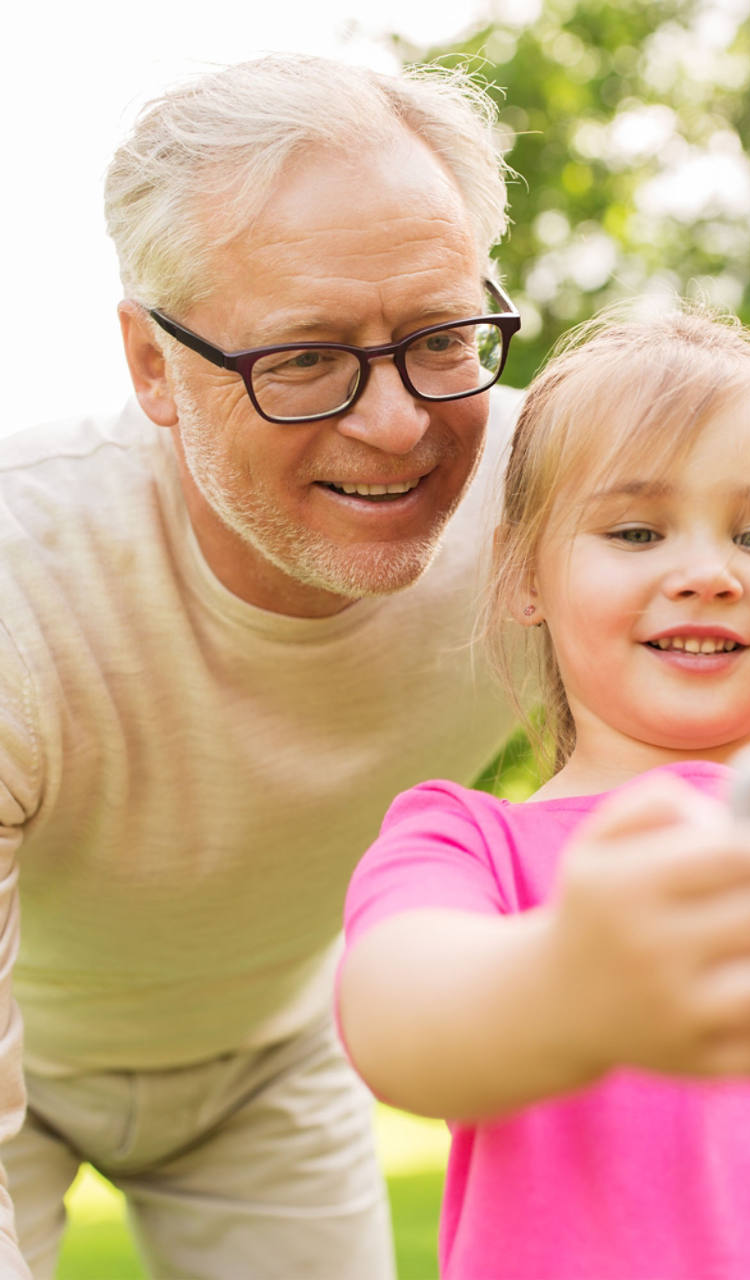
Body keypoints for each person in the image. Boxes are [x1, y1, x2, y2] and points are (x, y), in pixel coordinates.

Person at [337, 307, 750, 1279]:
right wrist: (570, 973)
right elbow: (396, 1018)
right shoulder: (464, 842)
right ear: (526, 571)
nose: (705, 573)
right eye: (636, 529)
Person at [0, 54, 528, 1280]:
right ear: (151, 367)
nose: (396, 424)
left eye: (440, 335)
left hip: (273, 1053)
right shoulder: (22, 590)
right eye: (302, 357)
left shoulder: (550, 515)